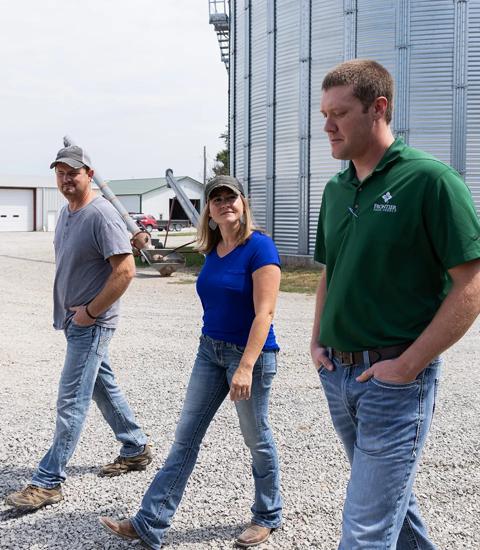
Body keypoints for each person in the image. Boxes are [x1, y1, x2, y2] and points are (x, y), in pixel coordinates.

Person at [311, 59, 480, 549]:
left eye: (339, 113)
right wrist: (318, 340)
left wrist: (410, 364)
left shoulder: (430, 181)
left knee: (364, 531)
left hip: (395, 382)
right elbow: (331, 270)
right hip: (339, 377)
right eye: (324, 113)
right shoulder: (335, 188)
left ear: (378, 108)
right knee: (393, 506)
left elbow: (470, 284)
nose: (327, 126)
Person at [99, 175, 282, 549]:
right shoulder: (212, 252)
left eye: (230, 197)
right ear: (209, 212)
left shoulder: (260, 248)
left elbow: (264, 315)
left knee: (256, 438)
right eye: (216, 199)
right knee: (185, 439)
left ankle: (267, 515)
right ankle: (149, 523)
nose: (223, 203)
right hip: (209, 351)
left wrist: (245, 366)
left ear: (243, 203)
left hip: (250, 356)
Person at [5, 145, 153, 512]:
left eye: (73, 172)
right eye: (60, 172)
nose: (66, 179)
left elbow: (125, 271)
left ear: (89, 173)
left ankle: (48, 481)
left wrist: (89, 311)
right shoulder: (68, 213)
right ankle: (135, 447)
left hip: (92, 323)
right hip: (76, 323)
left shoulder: (101, 214)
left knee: (71, 400)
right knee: (102, 385)